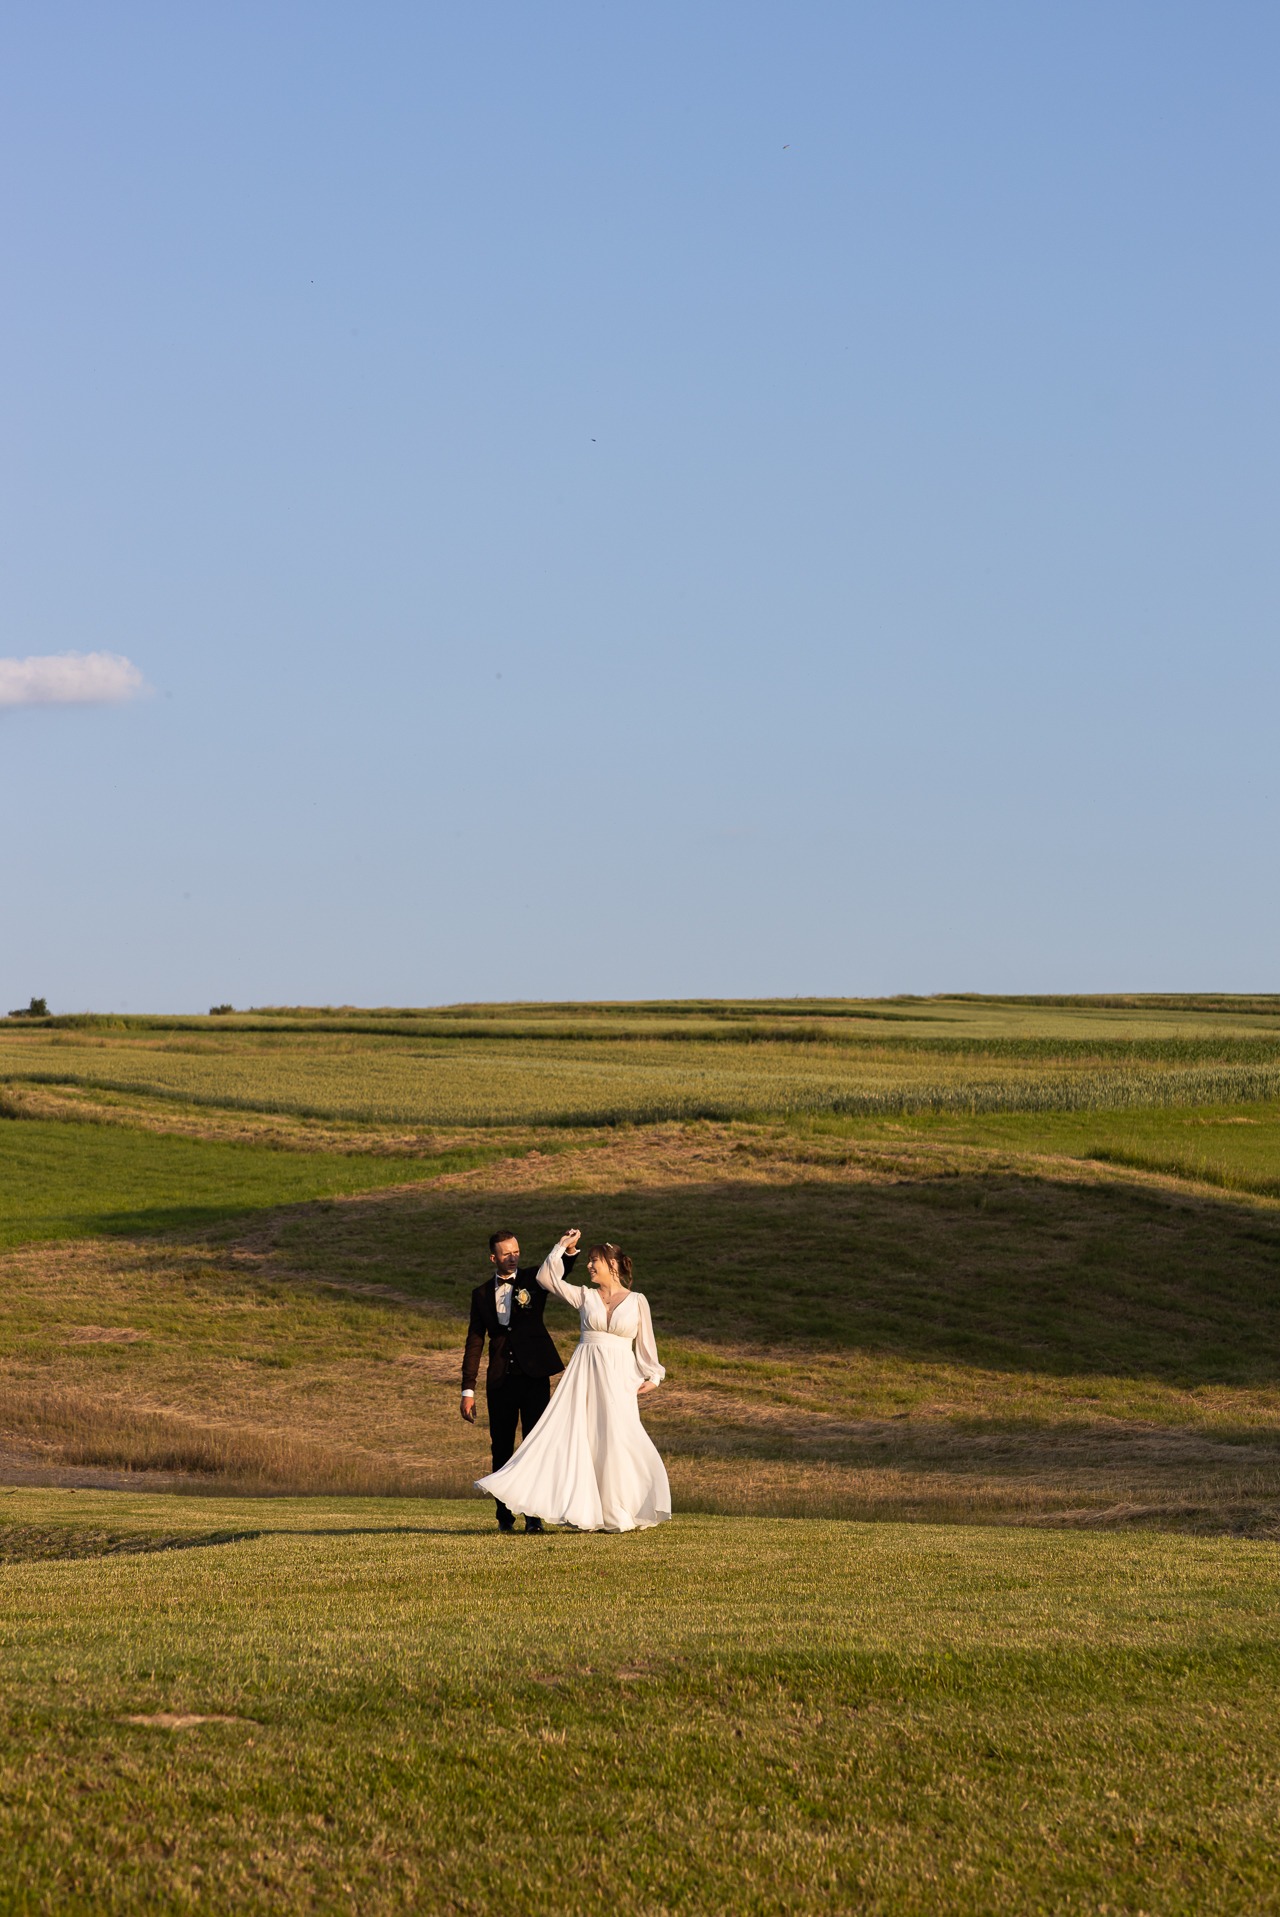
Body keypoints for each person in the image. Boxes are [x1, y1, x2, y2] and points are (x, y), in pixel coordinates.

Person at [476, 1230, 671, 1533]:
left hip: (619, 1378)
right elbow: (546, 1278)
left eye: (595, 1261)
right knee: (584, 1441)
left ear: (614, 1266)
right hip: (585, 1376)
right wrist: (561, 1246)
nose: (590, 1266)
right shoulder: (584, 1295)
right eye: (590, 1261)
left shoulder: (637, 1302)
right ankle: (587, 1513)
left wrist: (654, 1375)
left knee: (619, 1440)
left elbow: (646, 1344)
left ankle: (620, 1510)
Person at [461, 1228, 579, 1534]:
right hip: (500, 1380)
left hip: (534, 1377)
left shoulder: (532, 1280)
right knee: (501, 1448)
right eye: (506, 1253)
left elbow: (558, 1270)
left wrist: (567, 1251)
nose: (513, 1257)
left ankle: (534, 1517)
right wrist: (468, 1390)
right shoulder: (481, 1294)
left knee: (533, 1446)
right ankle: (503, 1515)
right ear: (493, 1257)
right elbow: (474, 1342)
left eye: (516, 1251)